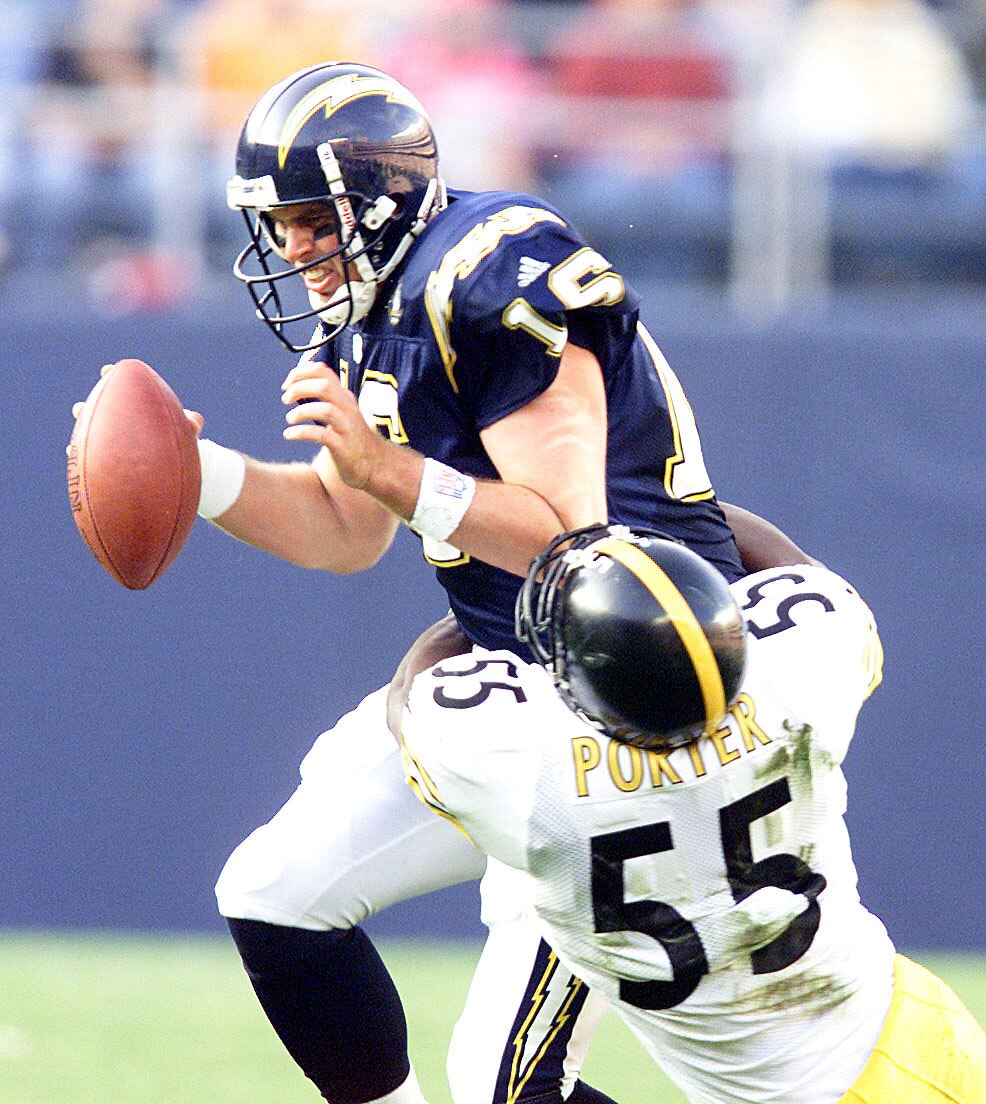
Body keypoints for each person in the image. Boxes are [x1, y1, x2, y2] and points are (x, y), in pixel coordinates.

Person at [179, 58, 747, 1104]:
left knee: (499, 1082)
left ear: (382, 196)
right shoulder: (370, 307)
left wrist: (390, 470)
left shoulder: (491, 270)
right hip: (507, 681)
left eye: (313, 219)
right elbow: (347, 528)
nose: (295, 249)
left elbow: (565, 542)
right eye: (281, 225)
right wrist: (196, 477)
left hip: (623, 695)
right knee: (274, 895)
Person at [398, 523, 986, 1104]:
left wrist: (476, 611)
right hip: (926, 1031)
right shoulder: (799, 670)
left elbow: (408, 702)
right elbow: (796, 569)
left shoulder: (529, 771)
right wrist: (666, 521)